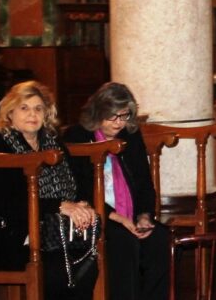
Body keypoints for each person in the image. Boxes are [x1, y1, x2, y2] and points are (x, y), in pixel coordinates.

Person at [0, 81, 98, 300]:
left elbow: (79, 185)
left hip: (57, 236)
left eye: (38, 108)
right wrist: (59, 206)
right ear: (9, 112)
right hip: (11, 237)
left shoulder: (54, 144)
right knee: (58, 270)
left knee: (87, 264)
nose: (32, 114)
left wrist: (82, 206)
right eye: (24, 108)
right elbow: (5, 201)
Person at [63, 82, 169, 300]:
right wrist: (116, 217)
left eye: (124, 115)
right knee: (124, 241)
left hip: (130, 214)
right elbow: (79, 190)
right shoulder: (77, 135)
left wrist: (144, 216)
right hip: (97, 216)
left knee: (159, 238)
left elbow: (144, 182)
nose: (119, 122)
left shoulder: (130, 135)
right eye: (113, 116)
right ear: (98, 112)